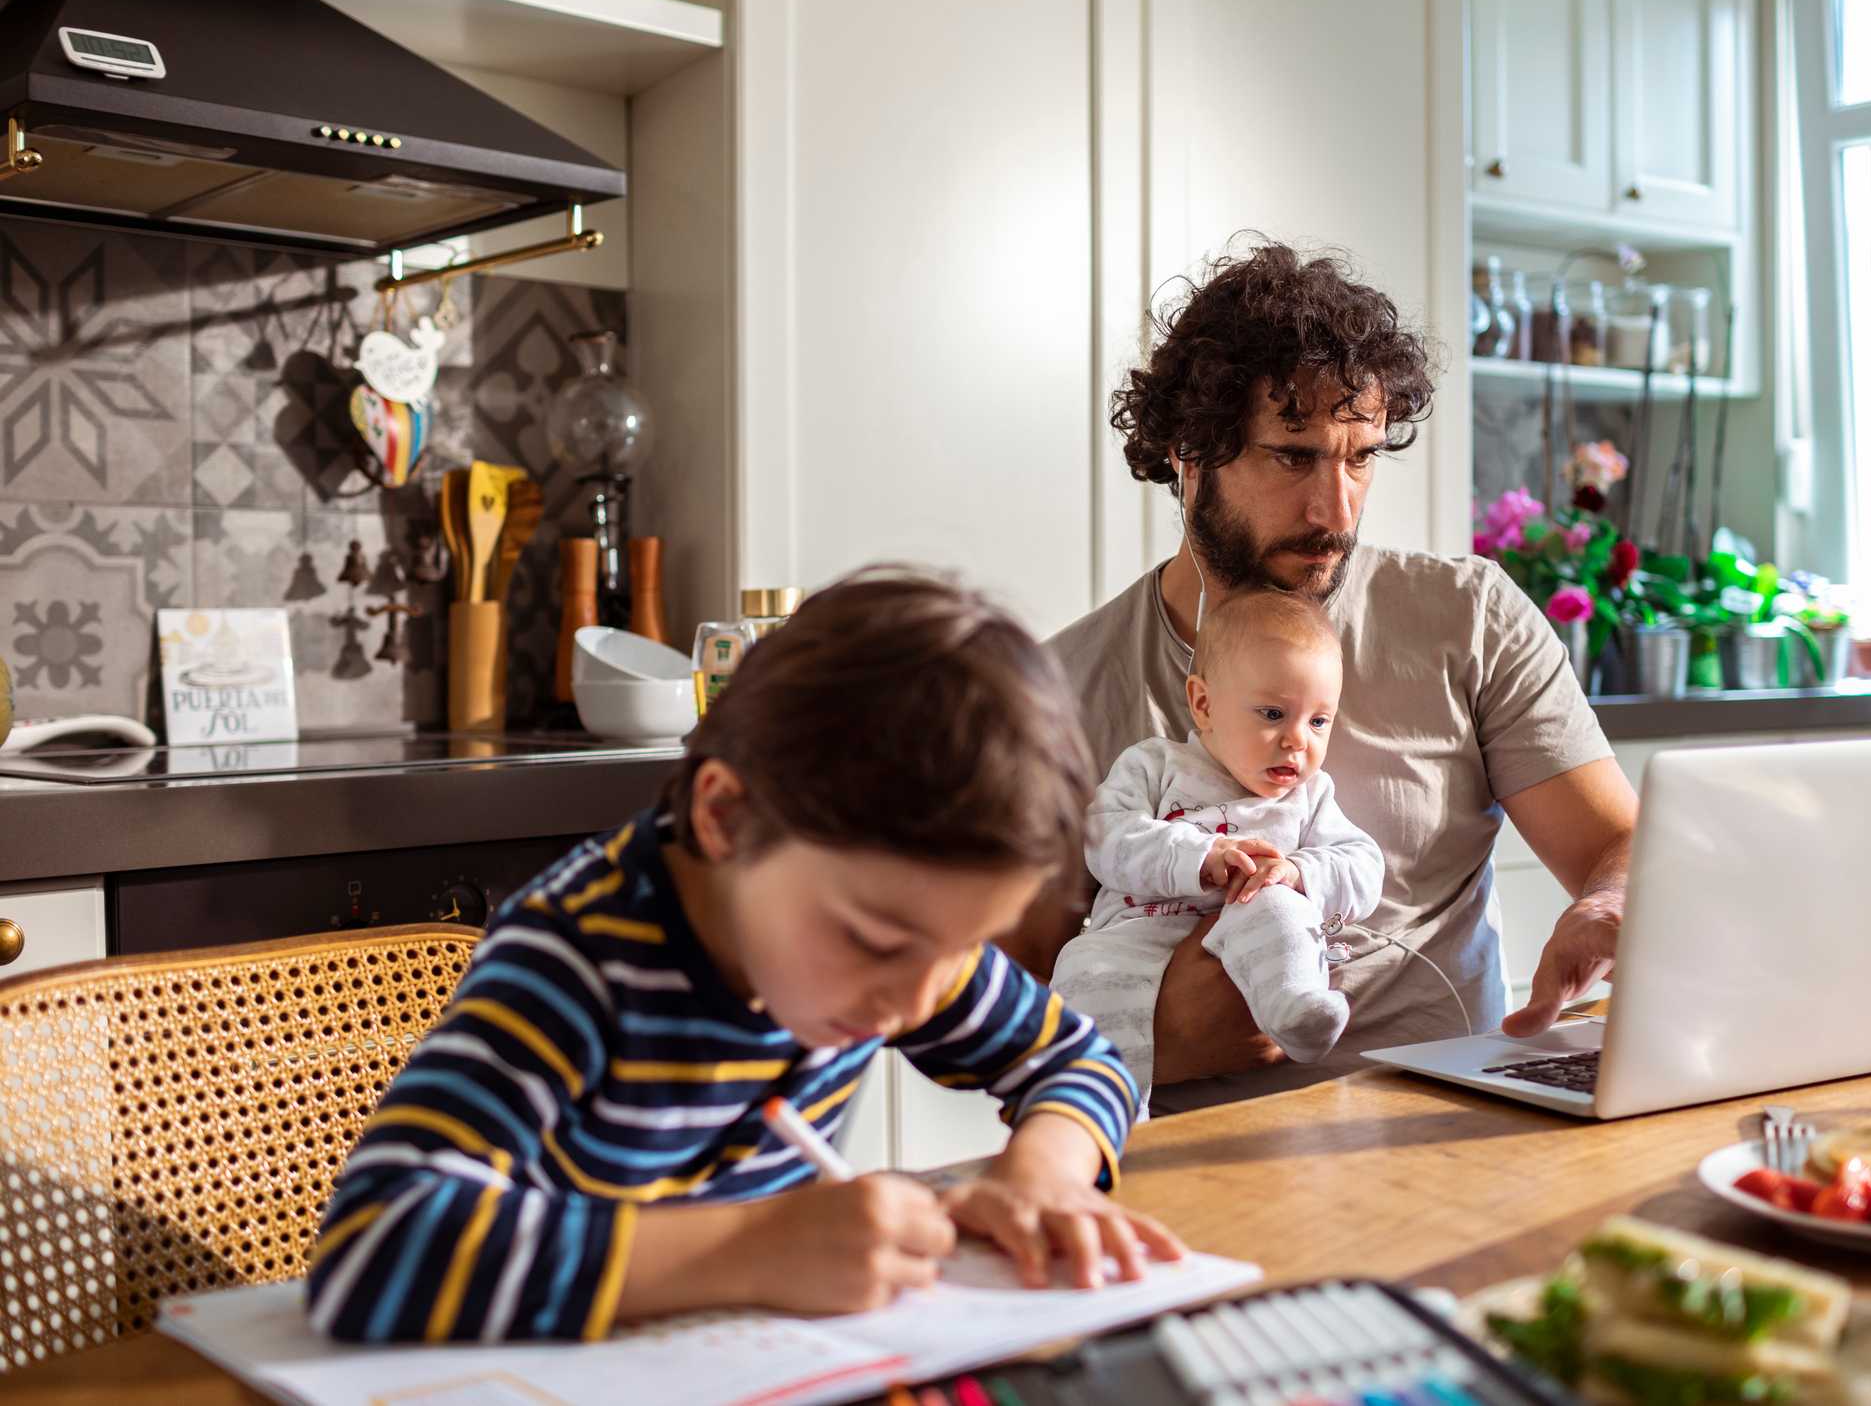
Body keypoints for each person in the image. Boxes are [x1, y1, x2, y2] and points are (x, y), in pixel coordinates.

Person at [307, 569, 1181, 1343]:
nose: (914, 1002)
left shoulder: (899, 952)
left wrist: (1046, 1174)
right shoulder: (575, 964)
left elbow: (1081, 1060)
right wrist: (752, 1248)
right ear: (726, 817)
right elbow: (370, 1250)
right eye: (875, 942)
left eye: (958, 950)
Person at [1025, 241, 1638, 1115]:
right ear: (1188, 453)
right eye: (1292, 456)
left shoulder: (1468, 616)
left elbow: (1615, 846)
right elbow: (991, 1001)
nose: (1335, 511)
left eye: (1359, 457)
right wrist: (1158, 1037)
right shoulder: (1059, 688)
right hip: (1189, 1160)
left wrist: (1609, 902)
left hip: (1450, 1129)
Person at [1052, 587, 1384, 1098]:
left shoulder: (1310, 795)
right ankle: (1092, 1111)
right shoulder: (1155, 765)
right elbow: (1105, 836)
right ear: (1203, 705)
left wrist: (1298, 874)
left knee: (1282, 910)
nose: (1298, 740)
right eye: (1273, 714)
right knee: (1082, 972)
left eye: (1318, 721)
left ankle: (1294, 1006)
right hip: (1139, 931)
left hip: (1248, 918)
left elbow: (1363, 864)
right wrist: (1198, 858)